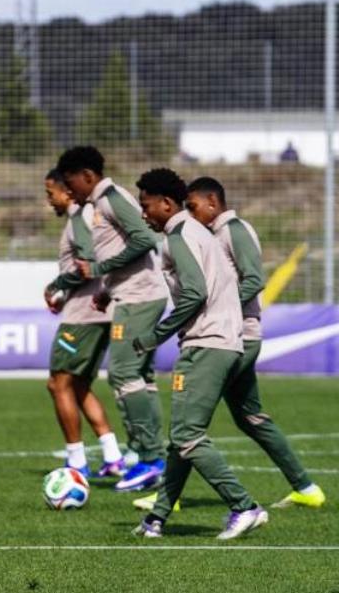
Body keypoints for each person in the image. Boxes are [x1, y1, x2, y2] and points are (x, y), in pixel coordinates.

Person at [133, 175, 323, 511]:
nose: (191, 214)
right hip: (234, 334)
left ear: (212, 202)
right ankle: (305, 487)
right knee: (248, 417)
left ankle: (176, 501)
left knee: (189, 422)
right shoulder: (205, 235)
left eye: (193, 207)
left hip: (236, 334)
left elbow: (255, 279)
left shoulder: (233, 230)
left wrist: (222, 309)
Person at [130, 168, 267, 540]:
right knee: (182, 438)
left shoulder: (178, 237)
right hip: (219, 340)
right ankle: (156, 519)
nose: (143, 215)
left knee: (188, 435)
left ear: (166, 203)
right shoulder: (196, 232)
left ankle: (244, 505)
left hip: (206, 343)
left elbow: (194, 293)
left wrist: (155, 336)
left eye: (146, 207)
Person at [51, 147, 167, 492]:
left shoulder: (111, 199)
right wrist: (107, 288)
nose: (70, 190)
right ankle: (150, 455)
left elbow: (146, 239)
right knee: (140, 376)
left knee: (122, 372)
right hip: (128, 295)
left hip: (141, 297)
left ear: (87, 176)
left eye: (71, 182)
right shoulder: (98, 205)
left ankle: (150, 457)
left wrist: (101, 270)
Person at [41, 169, 124, 478]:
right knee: (78, 385)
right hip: (99, 312)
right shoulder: (85, 217)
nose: (49, 200)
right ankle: (113, 456)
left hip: (83, 317)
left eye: (51, 194)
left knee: (57, 383)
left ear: (67, 193)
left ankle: (76, 461)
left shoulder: (79, 219)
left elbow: (87, 263)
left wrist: (57, 285)